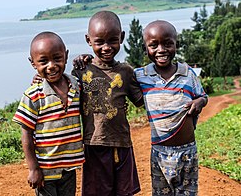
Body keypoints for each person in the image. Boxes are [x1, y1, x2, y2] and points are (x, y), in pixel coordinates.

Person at [72, 11, 144, 196]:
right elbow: (63, 90)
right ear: (89, 40)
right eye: (99, 42)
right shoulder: (81, 70)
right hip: (94, 144)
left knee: (124, 192)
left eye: (113, 40)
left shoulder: (126, 72)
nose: (106, 47)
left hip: (122, 144)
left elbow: (141, 101)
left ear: (122, 37)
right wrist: (39, 79)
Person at [134, 20, 208, 196]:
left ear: (176, 44)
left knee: (188, 193)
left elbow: (203, 96)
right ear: (146, 48)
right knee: (161, 193)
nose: (161, 49)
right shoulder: (141, 76)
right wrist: (88, 60)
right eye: (153, 45)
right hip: (159, 152)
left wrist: (199, 102)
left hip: (187, 151)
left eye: (168, 43)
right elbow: (116, 74)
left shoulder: (188, 73)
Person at [13, 31, 85, 196]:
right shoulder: (33, 95)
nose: (51, 66)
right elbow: (26, 135)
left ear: (66, 56)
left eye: (57, 58)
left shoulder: (76, 87)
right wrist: (33, 168)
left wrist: (85, 59)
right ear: (33, 63)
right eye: (43, 61)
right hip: (45, 170)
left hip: (69, 167)